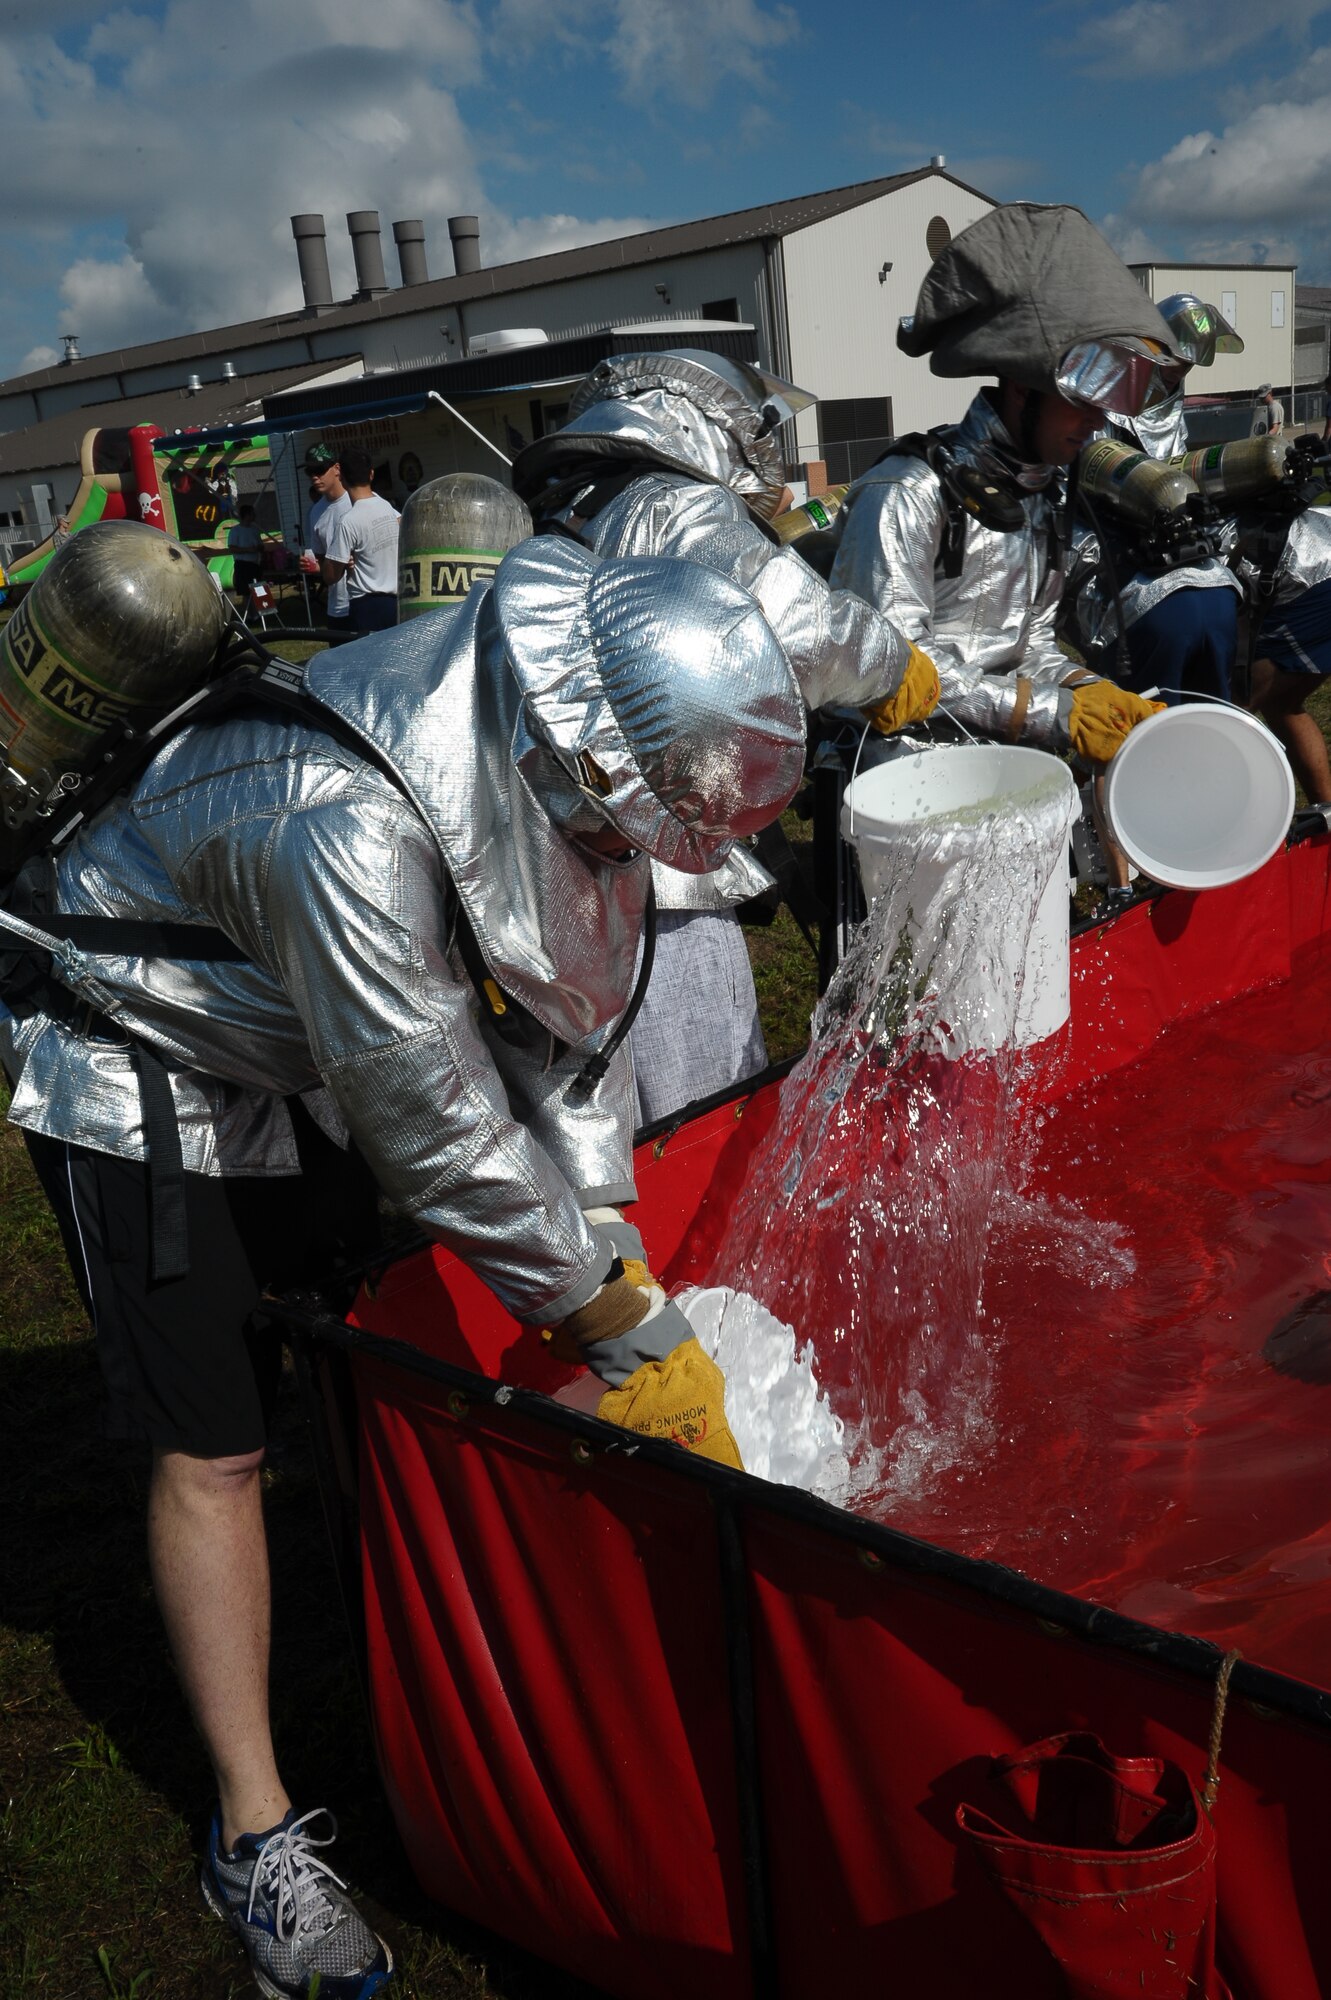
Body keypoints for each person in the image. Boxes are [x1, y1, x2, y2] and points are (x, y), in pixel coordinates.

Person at [0, 533, 806, 1997]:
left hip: (291, 1033)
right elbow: (438, 1137)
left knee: (339, 1343)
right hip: (141, 1065)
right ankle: (254, 1837)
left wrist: (608, 1241)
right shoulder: (340, 826)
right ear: (581, 747)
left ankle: (393, 1675)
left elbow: (558, 1033)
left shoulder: (528, 743)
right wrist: (619, 1326)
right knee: (217, 1446)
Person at [513, 348, 937, 1121]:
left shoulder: (565, 513)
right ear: (701, 425)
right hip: (660, 875)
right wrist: (890, 665)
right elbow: (794, 627)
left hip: (552, 881)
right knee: (700, 1114)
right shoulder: (667, 503)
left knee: (603, 1128)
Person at [830, 203, 1184, 763]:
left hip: (1008, 757)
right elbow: (889, 670)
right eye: (1080, 404)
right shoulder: (907, 491)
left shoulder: (1047, 496)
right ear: (1022, 389)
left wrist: (1086, 690)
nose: (1097, 424)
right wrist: (1049, 714)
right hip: (902, 770)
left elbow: (1029, 646)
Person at [1072, 293, 1245, 709]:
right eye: (1172, 362)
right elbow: (1090, 468)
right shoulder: (1108, 388)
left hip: (1174, 530)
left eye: (1185, 367)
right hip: (1107, 531)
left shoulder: (1171, 398)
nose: (1177, 374)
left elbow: (1176, 462)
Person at [321, 449, 400, 635]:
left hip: (366, 606)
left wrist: (340, 562)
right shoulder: (387, 507)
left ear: (342, 479)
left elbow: (330, 576)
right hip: (396, 601)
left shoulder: (349, 521)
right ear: (371, 474)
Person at [301, 444, 354, 644]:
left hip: (362, 601)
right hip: (337, 607)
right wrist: (316, 567)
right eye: (310, 472)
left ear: (337, 469)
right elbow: (323, 563)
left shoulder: (357, 499)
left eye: (320, 470)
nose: (314, 476)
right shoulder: (315, 512)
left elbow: (397, 522)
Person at [226, 504, 263, 604]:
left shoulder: (255, 530)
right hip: (242, 565)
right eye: (252, 514)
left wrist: (259, 548)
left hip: (255, 564)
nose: (254, 516)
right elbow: (232, 548)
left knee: (258, 591)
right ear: (246, 515)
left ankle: (258, 614)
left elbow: (261, 545)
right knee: (246, 592)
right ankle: (250, 616)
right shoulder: (235, 531)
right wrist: (248, 550)